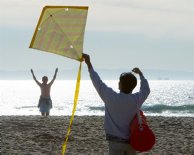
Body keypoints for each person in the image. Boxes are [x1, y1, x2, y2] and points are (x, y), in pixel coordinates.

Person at [82, 53, 150, 155]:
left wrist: (89, 64)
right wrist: (141, 74)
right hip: (131, 141)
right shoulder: (136, 99)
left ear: (120, 84)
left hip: (114, 142)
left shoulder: (110, 97)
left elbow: (97, 82)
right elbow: (146, 89)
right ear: (133, 86)